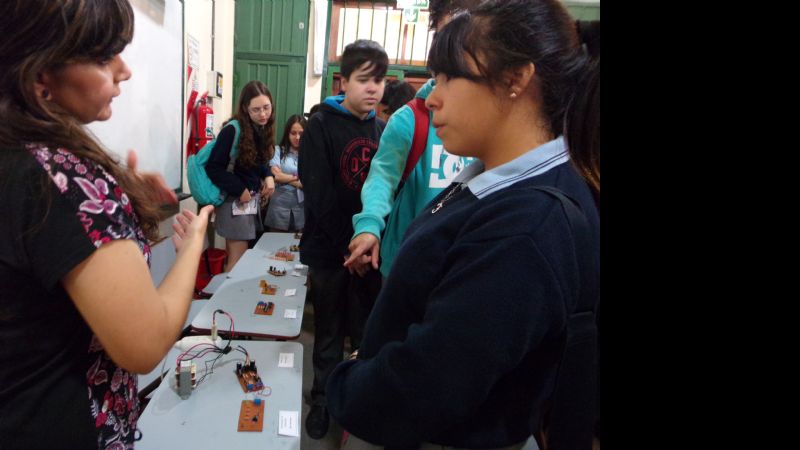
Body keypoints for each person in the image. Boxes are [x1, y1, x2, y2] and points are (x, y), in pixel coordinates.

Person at [326, 1, 601, 449]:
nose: (432, 97)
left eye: (448, 78)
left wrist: (348, 382)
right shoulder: (491, 179)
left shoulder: (526, 229)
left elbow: (428, 383)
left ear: (515, 79)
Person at [0, 1, 214, 448]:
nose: (124, 71)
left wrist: (122, 213)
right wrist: (193, 243)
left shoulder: (21, 159)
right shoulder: (63, 178)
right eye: (102, 58)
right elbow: (145, 344)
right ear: (40, 76)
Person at [345, 0, 482, 279]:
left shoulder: (488, 120)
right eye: (444, 38)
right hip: (408, 263)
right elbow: (382, 177)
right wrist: (369, 225)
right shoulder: (410, 118)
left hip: (465, 265)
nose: (451, 50)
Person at [297, 39, 388, 440]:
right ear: (344, 81)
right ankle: (323, 399)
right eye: (364, 79)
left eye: (379, 81)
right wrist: (349, 248)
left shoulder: (384, 131)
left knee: (366, 331)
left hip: (369, 254)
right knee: (329, 331)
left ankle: (357, 402)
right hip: (330, 251)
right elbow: (319, 196)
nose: (373, 88)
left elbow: (388, 191)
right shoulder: (320, 126)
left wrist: (369, 246)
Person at [206, 80, 276, 272]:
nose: (263, 114)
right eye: (256, 110)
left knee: (240, 259)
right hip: (234, 203)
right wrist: (240, 189)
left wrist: (268, 176)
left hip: (247, 204)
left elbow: (258, 162)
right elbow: (214, 167)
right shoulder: (232, 130)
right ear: (245, 109)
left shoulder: (260, 128)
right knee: (237, 262)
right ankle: (229, 293)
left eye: (266, 107)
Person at [265, 114, 307, 232]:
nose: (297, 137)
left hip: (302, 208)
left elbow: (310, 181)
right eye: (293, 133)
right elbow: (276, 176)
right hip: (279, 206)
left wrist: (287, 178)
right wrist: (297, 180)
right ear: (287, 133)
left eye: (301, 133)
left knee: (298, 242)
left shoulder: (310, 153)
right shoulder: (278, 151)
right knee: (275, 242)